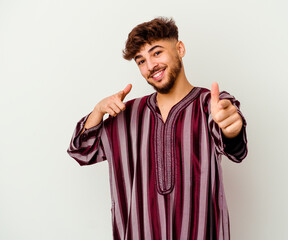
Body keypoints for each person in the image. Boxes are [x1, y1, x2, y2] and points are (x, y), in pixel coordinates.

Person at [67, 17, 248, 240]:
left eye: (157, 53)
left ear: (179, 49)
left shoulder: (210, 104)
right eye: (141, 61)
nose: (151, 66)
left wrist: (231, 128)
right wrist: (98, 111)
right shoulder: (127, 114)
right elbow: (81, 151)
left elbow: (235, 147)